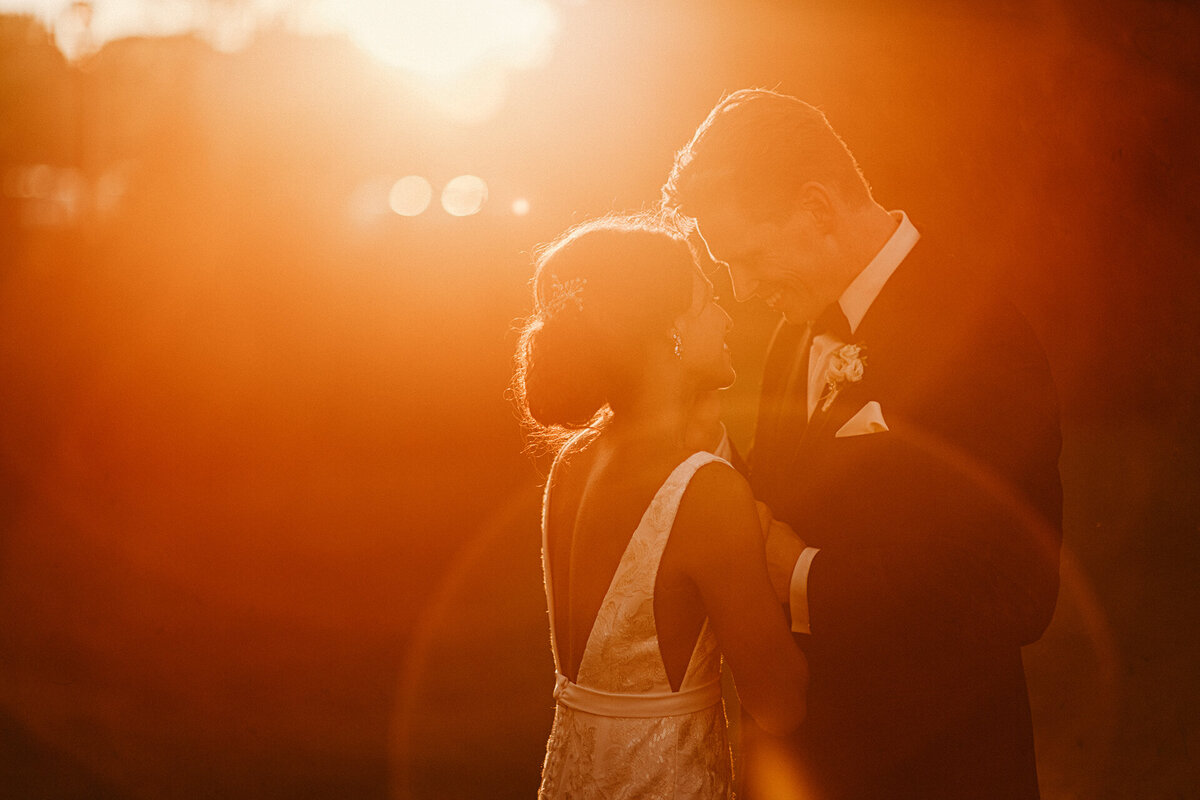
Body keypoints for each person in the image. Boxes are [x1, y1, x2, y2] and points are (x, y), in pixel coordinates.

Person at [662, 89, 1063, 799]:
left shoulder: (977, 334)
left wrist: (798, 575)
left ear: (817, 209)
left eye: (748, 258)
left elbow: (1015, 593)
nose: (745, 291)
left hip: (938, 766)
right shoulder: (800, 327)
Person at [513, 213, 808, 799]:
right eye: (705, 302)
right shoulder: (703, 492)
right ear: (669, 329)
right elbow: (780, 705)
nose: (725, 317)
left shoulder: (573, 461)